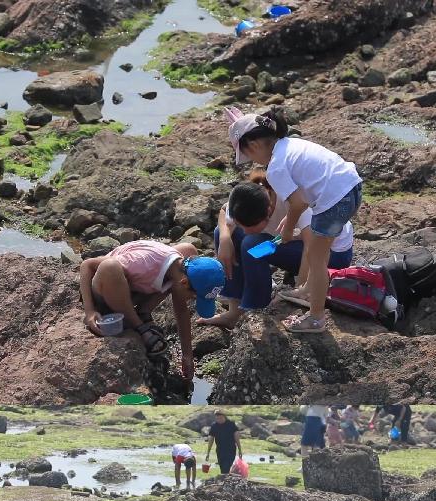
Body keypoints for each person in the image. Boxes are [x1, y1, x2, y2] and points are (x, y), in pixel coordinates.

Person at [229, 107, 364, 334]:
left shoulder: (276, 168)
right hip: (350, 188)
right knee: (315, 251)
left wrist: (289, 229)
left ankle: (315, 317)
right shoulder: (290, 146)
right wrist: (290, 226)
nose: (253, 162)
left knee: (315, 257)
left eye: (249, 156)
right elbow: (300, 202)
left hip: (335, 201)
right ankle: (305, 289)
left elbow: (298, 204)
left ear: (253, 146)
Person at [204, 166, 355, 328]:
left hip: (333, 254)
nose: (245, 231)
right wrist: (225, 239)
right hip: (292, 243)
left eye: (250, 226)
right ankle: (235, 310)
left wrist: (300, 288)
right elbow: (224, 211)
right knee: (225, 232)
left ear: (268, 212)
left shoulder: (293, 201)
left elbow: (311, 248)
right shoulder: (252, 196)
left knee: (251, 244)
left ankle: (256, 306)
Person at [79, 241, 226, 379]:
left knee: (188, 248)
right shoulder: (141, 263)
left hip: (134, 288)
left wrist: (187, 355)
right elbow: (87, 265)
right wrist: (90, 311)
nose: (192, 300)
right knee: (110, 267)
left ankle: (142, 312)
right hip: (105, 288)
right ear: (185, 282)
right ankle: (138, 325)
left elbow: (181, 311)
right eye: (194, 296)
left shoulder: (181, 267)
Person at [203, 411, 243, 476]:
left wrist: (240, 450)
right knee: (222, 468)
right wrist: (208, 452)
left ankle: (225, 480)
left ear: (224, 417)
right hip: (220, 450)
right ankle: (225, 481)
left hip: (231, 449)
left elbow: (237, 438)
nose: (219, 420)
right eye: (217, 418)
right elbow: (211, 440)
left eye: (221, 418)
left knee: (226, 467)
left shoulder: (231, 424)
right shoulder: (214, 426)